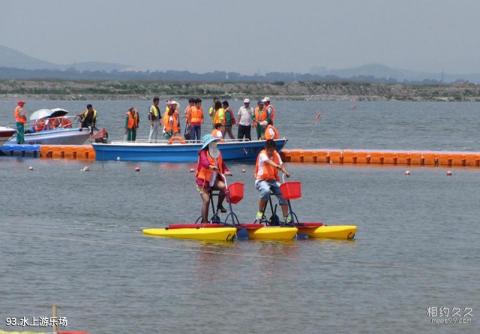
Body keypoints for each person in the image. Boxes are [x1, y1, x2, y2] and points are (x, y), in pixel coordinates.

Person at [196, 134, 232, 223]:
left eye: (214, 142)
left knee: (224, 187)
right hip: (203, 182)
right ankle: (204, 221)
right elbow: (204, 162)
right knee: (206, 200)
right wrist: (211, 166)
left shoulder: (217, 153)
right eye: (212, 142)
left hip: (214, 180)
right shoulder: (203, 153)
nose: (214, 144)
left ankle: (219, 205)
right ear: (208, 144)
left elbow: (222, 165)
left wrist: (227, 171)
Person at [254, 139, 291, 224]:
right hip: (261, 181)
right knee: (266, 190)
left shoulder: (276, 154)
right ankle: (260, 213)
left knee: (283, 192)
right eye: (269, 150)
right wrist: (277, 166)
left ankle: (286, 217)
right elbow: (269, 162)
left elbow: (281, 165)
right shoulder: (262, 154)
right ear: (266, 148)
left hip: (273, 181)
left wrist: (286, 172)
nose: (271, 152)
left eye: (272, 150)